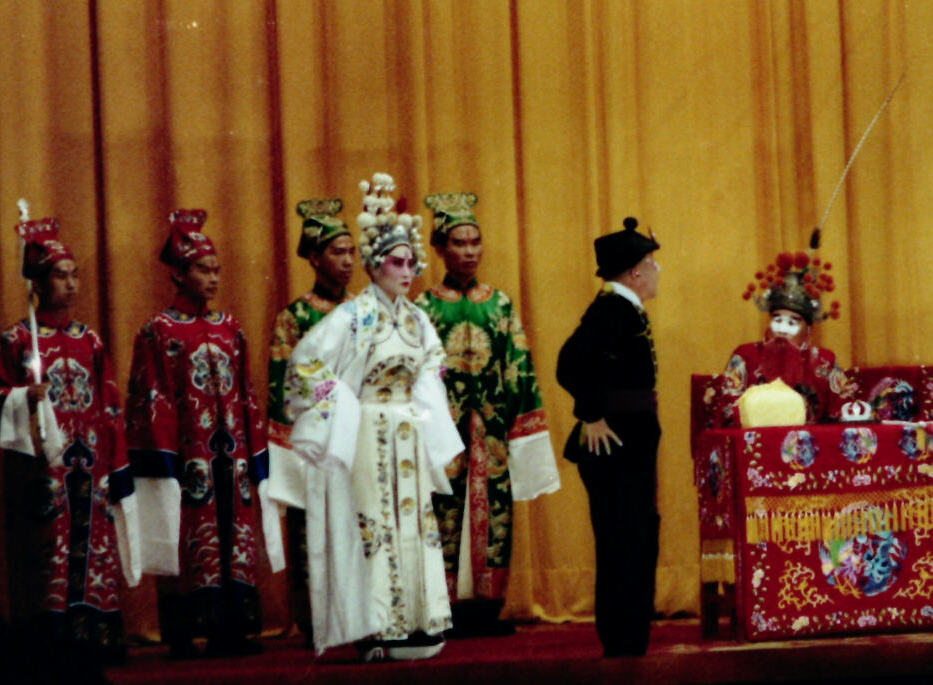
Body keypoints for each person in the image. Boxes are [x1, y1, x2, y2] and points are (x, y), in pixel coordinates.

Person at [282, 173, 462, 660]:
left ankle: (421, 621)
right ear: (374, 266)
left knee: (415, 522)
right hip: (365, 431)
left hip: (405, 429)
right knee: (374, 524)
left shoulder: (415, 317)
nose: (406, 272)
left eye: (411, 263)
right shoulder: (354, 317)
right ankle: (379, 625)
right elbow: (304, 362)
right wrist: (341, 404)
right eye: (396, 263)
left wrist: (423, 403)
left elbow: (433, 360)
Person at [0, 210, 139, 664]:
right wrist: (24, 396)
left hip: (93, 464)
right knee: (52, 547)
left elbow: (109, 404)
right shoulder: (17, 340)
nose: (70, 284)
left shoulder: (91, 341)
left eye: (74, 275)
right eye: (59, 276)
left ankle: (98, 633)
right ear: (39, 284)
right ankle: (51, 641)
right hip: (45, 467)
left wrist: (115, 463)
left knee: (96, 546)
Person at [126, 209, 279, 658]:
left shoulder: (229, 328)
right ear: (178, 273)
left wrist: (256, 453)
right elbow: (150, 397)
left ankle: (232, 628)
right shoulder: (159, 331)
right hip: (187, 456)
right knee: (188, 536)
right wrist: (163, 462)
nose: (213, 278)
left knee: (236, 535)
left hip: (231, 456)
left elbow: (248, 394)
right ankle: (182, 631)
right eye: (202, 269)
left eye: (216, 269)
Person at [414, 191, 559, 633]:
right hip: (443, 431)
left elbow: (520, 367)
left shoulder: (500, 305)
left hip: (491, 430)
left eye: (476, 241)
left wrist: (521, 427)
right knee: (443, 513)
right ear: (440, 248)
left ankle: (487, 606)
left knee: (493, 512)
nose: (470, 251)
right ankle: (445, 606)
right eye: (459, 242)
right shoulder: (424, 308)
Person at [556, 216, 662, 658]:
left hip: (631, 441)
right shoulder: (610, 309)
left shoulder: (623, 307)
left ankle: (630, 637)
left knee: (637, 535)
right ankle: (622, 641)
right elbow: (569, 363)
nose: (658, 271)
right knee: (625, 539)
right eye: (653, 264)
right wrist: (591, 414)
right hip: (615, 444)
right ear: (635, 272)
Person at [265, 197, 356, 641]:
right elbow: (283, 388)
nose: (347, 261)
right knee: (312, 529)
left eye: (352, 252)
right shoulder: (295, 317)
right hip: (316, 440)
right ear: (315, 258)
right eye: (337, 252)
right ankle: (316, 616)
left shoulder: (364, 310)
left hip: (356, 437)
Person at [712, 243, 857, 427]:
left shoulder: (824, 361)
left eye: (793, 322)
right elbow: (727, 411)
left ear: (809, 330)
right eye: (777, 319)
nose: (782, 329)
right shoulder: (746, 355)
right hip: (755, 446)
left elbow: (846, 411)